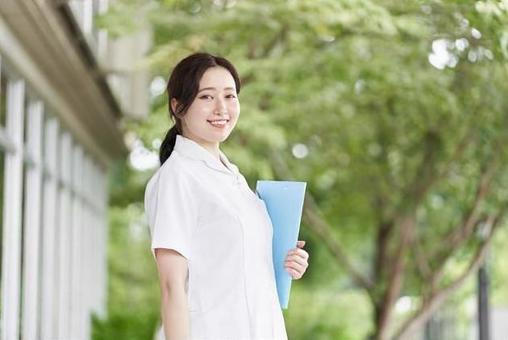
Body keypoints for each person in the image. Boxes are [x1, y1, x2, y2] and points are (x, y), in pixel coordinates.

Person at [144, 52, 310, 340]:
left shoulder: (232, 177)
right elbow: (172, 288)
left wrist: (288, 263)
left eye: (230, 96)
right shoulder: (177, 177)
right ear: (178, 106)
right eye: (207, 97)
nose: (222, 108)